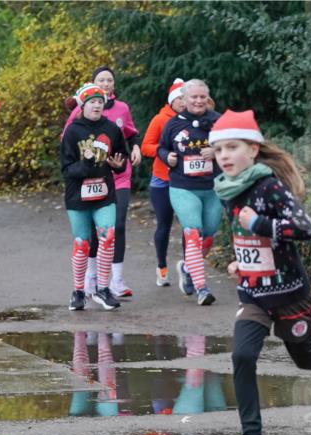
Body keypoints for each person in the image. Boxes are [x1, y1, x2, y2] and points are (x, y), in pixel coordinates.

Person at [210, 109, 311, 435]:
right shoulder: (227, 190)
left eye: (232, 147)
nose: (224, 156)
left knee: (303, 356)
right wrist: (237, 261)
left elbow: (305, 228)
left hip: (290, 292)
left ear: (254, 150)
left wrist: (260, 223)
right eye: (218, 150)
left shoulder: (268, 187)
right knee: (242, 356)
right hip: (254, 294)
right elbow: (244, 235)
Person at [64, 66, 141, 298]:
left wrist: (133, 149)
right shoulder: (78, 116)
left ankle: (113, 281)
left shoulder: (121, 109)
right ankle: (89, 279)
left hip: (116, 177)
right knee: (89, 235)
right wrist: (86, 161)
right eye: (101, 80)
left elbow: (129, 134)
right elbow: (68, 147)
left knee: (114, 228)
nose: (106, 84)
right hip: (85, 181)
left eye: (109, 80)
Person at [59, 83, 128, 311]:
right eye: (92, 102)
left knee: (108, 236)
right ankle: (79, 291)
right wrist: (86, 162)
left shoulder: (111, 128)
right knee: (82, 243)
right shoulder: (72, 131)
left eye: (100, 101)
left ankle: (103, 288)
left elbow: (120, 159)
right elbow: (67, 170)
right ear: (83, 105)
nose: (97, 105)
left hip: (104, 193)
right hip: (77, 197)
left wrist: (119, 166)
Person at [157, 79, 222, 306]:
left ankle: (187, 267)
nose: (198, 101)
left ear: (208, 98)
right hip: (183, 187)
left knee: (210, 232)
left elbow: (235, 145)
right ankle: (201, 288)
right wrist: (168, 157)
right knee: (193, 231)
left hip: (213, 187)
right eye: (193, 97)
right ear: (184, 99)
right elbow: (161, 147)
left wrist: (217, 151)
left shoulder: (218, 121)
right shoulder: (173, 124)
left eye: (202, 97)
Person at [141, 77, 185, 287]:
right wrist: (164, 152)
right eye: (181, 98)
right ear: (172, 101)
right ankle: (162, 266)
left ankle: (189, 267)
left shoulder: (192, 119)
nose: (185, 102)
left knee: (189, 225)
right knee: (164, 225)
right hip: (162, 180)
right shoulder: (160, 119)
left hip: (186, 180)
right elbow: (145, 146)